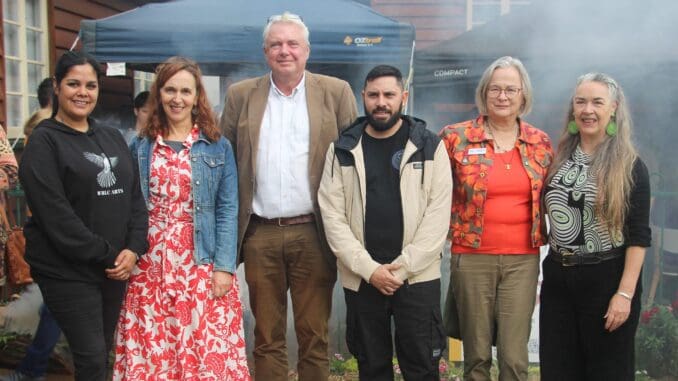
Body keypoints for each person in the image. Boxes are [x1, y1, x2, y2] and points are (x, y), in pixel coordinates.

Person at [219, 11, 357, 381]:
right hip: (259, 232)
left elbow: (353, 164)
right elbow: (224, 162)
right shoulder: (240, 95)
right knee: (266, 335)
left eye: (292, 43)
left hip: (314, 231)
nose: (285, 51)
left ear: (307, 50)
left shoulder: (336, 92)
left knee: (315, 334)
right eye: (276, 44)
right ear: (265, 52)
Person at [113, 56, 250, 380]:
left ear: (197, 96)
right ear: (159, 94)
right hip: (150, 265)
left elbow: (227, 209)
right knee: (154, 345)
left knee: (203, 345)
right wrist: (130, 252)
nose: (177, 98)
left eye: (185, 91)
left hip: (199, 261)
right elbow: (132, 205)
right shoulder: (142, 146)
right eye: (170, 90)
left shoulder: (217, 147)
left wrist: (223, 268)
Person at [17, 50, 148, 381]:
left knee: (102, 351)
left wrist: (134, 248)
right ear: (58, 87)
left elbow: (135, 198)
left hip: (114, 267)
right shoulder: (44, 142)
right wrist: (111, 255)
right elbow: (57, 219)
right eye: (73, 84)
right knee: (91, 357)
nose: (82, 92)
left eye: (90, 85)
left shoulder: (111, 136)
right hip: (68, 270)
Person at [318, 65, 452, 380]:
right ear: (362, 97)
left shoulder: (430, 146)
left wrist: (402, 269)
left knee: (421, 368)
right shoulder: (342, 149)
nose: (382, 102)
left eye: (389, 95)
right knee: (372, 367)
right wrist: (371, 270)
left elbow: (438, 216)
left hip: (417, 278)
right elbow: (332, 216)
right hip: (363, 278)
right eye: (374, 95)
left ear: (403, 97)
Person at [439, 56, 553, 381]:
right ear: (484, 93)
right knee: (475, 356)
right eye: (495, 89)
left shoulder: (540, 143)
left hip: (523, 260)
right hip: (472, 257)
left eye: (511, 90)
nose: (503, 96)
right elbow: (432, 194)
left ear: (523, 95)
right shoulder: (454, 138)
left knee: (515, 357)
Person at [539, 73, 651, 380]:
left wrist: (624, 295)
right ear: (573, 109)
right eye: (581, 101)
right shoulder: (557, 157)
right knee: (558, 370)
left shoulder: (630, 166)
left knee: (607, 372)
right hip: (558, 279)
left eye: (597, 102)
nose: (588, 110)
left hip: (607, 280)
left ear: (613, 108)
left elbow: (639, 237)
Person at [0, 79, 59, 381]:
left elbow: (11, 173)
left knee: (53, 307)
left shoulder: (46, 140)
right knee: (52, 307)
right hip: (49, 241)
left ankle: (32, 369)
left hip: (59, 243)